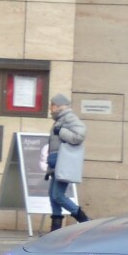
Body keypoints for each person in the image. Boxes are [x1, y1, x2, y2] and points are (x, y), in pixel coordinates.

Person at [46, 93, 89, 231]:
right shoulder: (59, 119)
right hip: (56, 163)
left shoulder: (68, 117)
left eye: (52, 105)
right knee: (52, 196)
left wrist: (61, 131)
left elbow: (79, 135)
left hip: (62, 163)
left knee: (58, 195)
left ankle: (83, 219)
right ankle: (55, 230)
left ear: (59, 106)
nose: (50, 108)